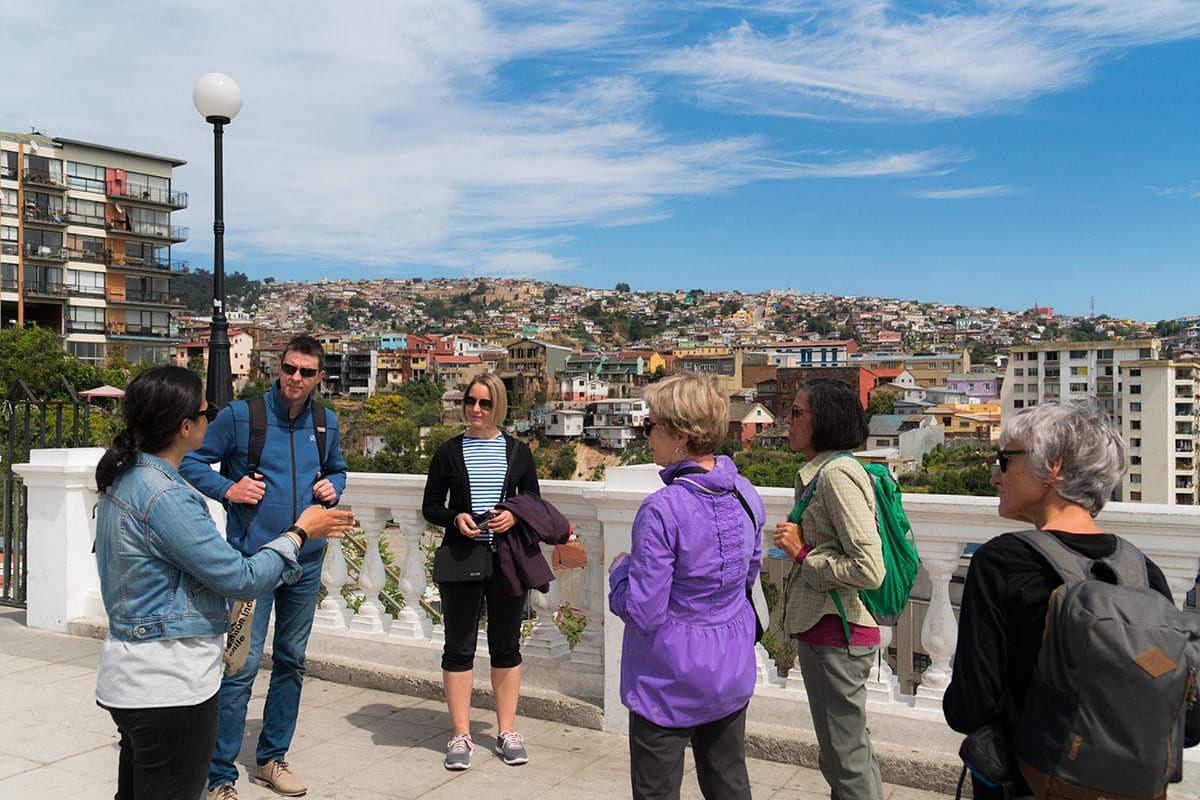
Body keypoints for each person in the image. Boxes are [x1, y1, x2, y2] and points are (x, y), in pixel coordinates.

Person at [93, 366, 354, 800]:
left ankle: (271, 758)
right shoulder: (166, 497)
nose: (211, 418)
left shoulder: (125, 479)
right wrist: (300, 532)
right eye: (205, 412)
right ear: (185, 427)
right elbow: (241, 578)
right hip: (168, 684)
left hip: (133, 676)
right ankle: (222, 777)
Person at [943, 401, 1183, 800]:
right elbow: (1183, 720)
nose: (994, 476)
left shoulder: (1001, 563)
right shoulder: (1142, 570)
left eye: (1005, 460)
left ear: (1052, 467)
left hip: (1030, 785)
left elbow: (969, 708)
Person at [180, 335, 348, 800]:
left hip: (305, 562)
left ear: (319, 377)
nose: (296, 378)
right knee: (240, 667)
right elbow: (190, 460)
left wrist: (333, 487)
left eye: (306, 372)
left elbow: (337, 469)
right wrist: (228, 490)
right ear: (279, 368)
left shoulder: (325, 422)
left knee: (292, 662)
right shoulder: (242, 416)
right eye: (290, 368)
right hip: (252, 564)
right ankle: (219, 777)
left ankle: (272, 759)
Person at [609, 372, 764, 800]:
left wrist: (620, 573)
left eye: (651, 425)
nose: (646, 435)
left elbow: (644, 611)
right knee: (728, 780)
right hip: (730, 664)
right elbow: (748, 575)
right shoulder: (746, 494)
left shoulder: (662, 509)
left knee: (657, 789)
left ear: (680, 435)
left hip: (668, 677)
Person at [772, 377, 885, 800]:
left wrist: (803, 554)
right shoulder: (823, 473)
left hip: (839, 633)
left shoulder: (837, 476)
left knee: (845, 759)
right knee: (845, 754)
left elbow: (869, 569)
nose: (788, 421)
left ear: (825, 421)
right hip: (827, 631)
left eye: (797, 412)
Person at [421, 372, 540, 770]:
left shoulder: (518, 452)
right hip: (461, 558)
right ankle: (461, 734)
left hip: (507, 560)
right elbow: (431, 505)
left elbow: (532, 500)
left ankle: (507, 731)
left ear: (498, 406)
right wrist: (456, 519)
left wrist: (513, 517)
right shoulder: (448, 451)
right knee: (458, 647)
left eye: (484, 403)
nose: (475, 409)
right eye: (470, 401)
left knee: (506, 646)